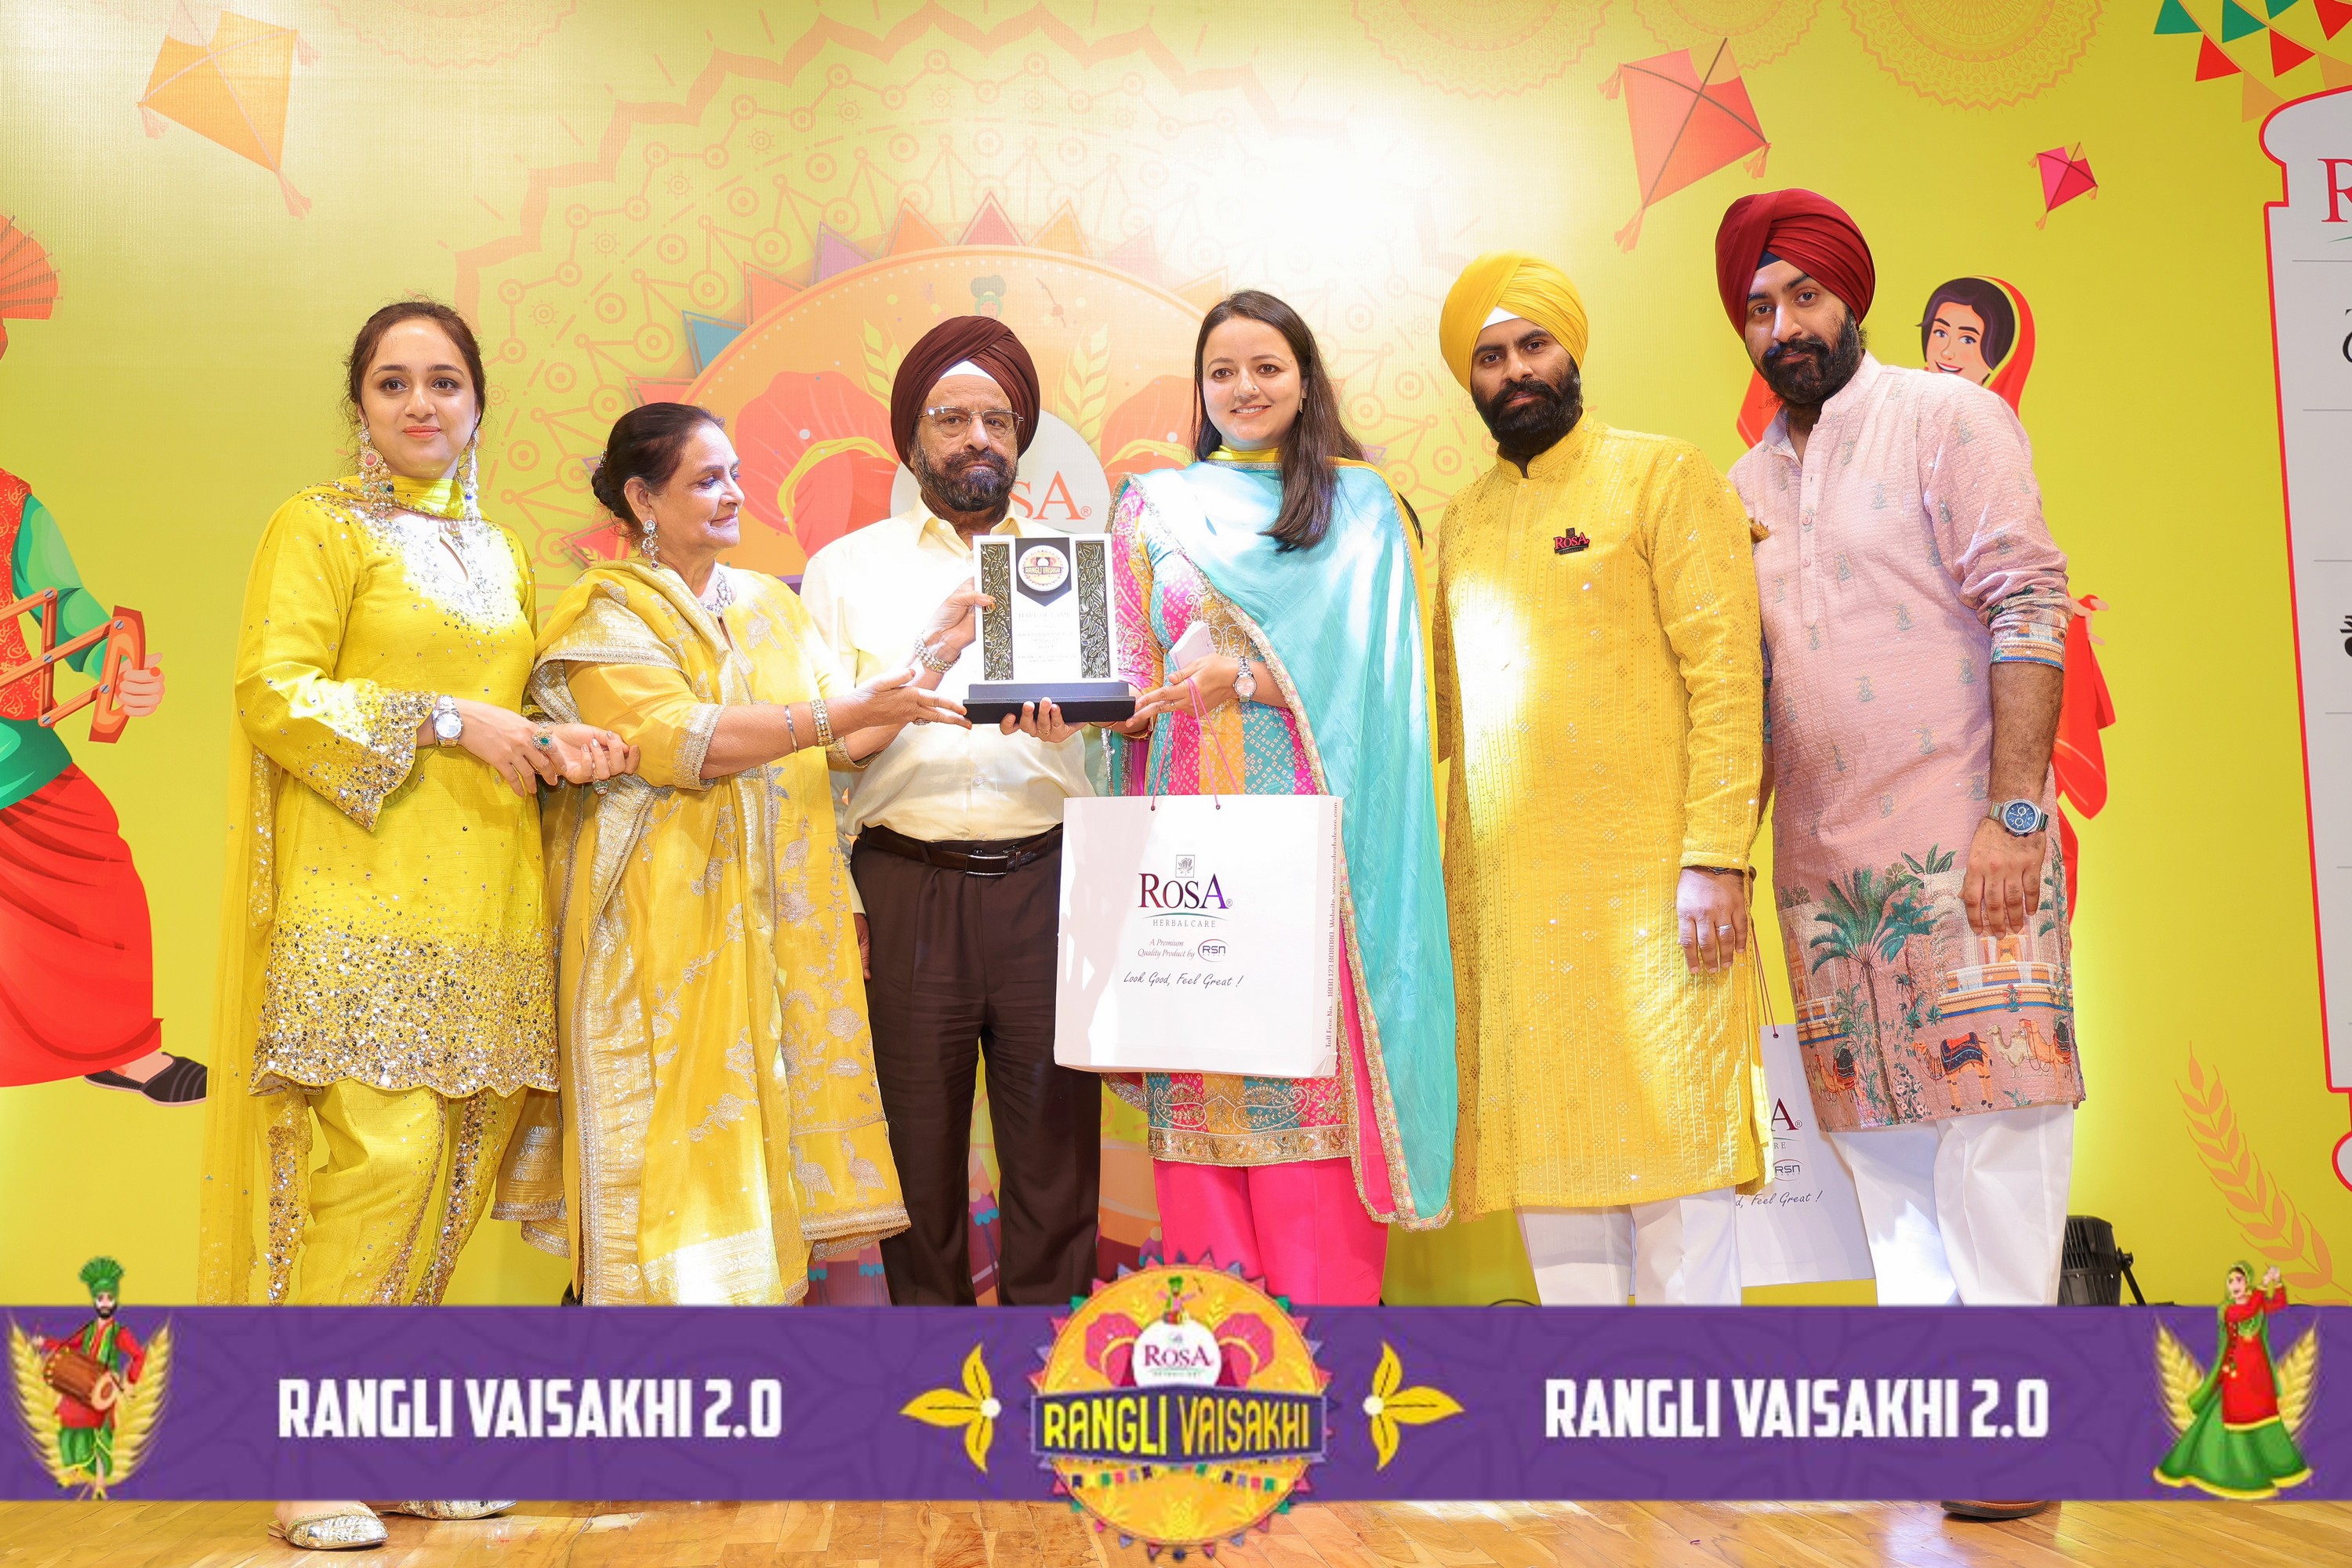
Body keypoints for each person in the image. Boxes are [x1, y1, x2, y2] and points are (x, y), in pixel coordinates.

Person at [198, 299, 630, 1550]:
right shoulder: (319, 527)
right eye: (394, 383)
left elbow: (503, 717)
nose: (421, 404)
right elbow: (273, 693)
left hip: (487, 898)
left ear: (480, 404)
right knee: (374, 1166)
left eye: (445, 381)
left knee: (450, 1173)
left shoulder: (500, 552)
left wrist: (550, 741)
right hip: (356, 894)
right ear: (360, 406)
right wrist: (447, 720)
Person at [1718, 193, 2082, 1516]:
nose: (1784, 326)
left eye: (1804, 296)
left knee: (1999, 1131)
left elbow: (2027, 601)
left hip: (1969, 847)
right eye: (1759, 308)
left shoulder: (1948, 419)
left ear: (1850, 297)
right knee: (1882, 1154)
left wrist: (2016, 814)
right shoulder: (1741, 493)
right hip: (1830, 884)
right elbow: (1747, 694)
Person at [508, 401, 960, 1305]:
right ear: (642, 498)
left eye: (737, 476)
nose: (733, 495)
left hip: (776, 933)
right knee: (660, 1191)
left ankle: (746, 1371)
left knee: (762, 1180)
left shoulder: (766, 604)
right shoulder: (606, 613)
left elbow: (846, 739)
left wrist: (930, 661)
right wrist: (843, 711)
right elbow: (681, 739)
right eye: (706, 479)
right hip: (659, 940)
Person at [1104, 289, 1455, 1305]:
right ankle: (1229, 1381)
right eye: (1222, 371)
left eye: (1267, 367)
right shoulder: (1152, 507)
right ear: (1201, 387)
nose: (1244, 388)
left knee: (1311, 1150)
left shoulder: (1363, 509)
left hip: (1318, 880)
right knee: (1201, 1141)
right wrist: (1084, 711)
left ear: (1305, 380)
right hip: (1190, 881)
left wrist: (1248, 681)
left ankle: (1331, 1384)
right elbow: (1129, 679)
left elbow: (1390, 692)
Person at [1431, 253, 1766, 1306]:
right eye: (1490, 356)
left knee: (1683, 1191)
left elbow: (1730, 677)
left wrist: (1716, 856)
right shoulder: (1463, 521)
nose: (1515, 371)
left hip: (1663, 904)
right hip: (1515, 919)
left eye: (1534, 344)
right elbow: (1433, 714)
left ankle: (1691, 1413)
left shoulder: (1664, 477)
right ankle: (1595, 1412)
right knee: (1556, 1211)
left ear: (1571, 350)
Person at [800, 318, 1104, 1306]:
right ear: (912, 437)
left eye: (997, 420)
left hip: (1049, 882)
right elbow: (823, 748)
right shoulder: (847, 570)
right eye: (952, 418)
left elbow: (1112, 734)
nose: (978, 437)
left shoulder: (1076, 563)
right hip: (905, 885)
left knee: (1056, 1160)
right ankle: (931, 1379)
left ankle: (1047, 1368)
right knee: (914, 1164)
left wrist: (1079, 725)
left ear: (1022, 439)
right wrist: (919, 668)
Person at [0, 468, 193, 1102]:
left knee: (96, 870)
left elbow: (66, 604)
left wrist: (123, 671)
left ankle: (122, 1049)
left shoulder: (10, 503)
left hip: (12, 753)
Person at [2155, 1264, 2312, 1499]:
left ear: (2247, 1282)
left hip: (2258, 1374)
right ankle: (2235, 1469)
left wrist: (2277, 1282)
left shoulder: (2256, 1304)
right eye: (2230, 1281)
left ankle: (2275, 1463)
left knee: (2264, 1414)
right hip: (2237, 1372)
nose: (2234, 1285)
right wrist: (2262, 1286)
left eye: (2239, 1280)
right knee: (2235, 1414)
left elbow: (2278, 1304)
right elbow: (2246, 1312)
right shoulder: (2227, 1310)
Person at [32, 1257, 145, 1486]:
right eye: (100, 1298)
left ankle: (100, 1483)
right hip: (80, 1385)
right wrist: (45, 1343)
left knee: (98, 1435)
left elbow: (139, 1356)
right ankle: (72, 1473)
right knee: (68, 1427)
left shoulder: (120, 1332)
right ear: (95, 1301)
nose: (105, 1303)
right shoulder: (89, 1329)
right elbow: (67, 1346)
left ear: (115, 1301)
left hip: (104, 1390)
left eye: (109, 1298)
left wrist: (131, 1382)